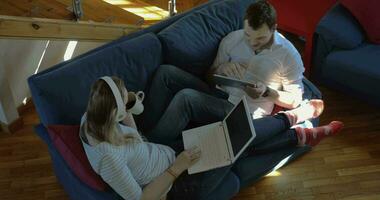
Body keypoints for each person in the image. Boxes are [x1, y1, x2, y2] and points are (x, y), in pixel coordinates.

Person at [80, 76, 343, 200]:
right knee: (234, 143)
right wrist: (177, 169)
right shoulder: (108, 159)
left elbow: (132, 132)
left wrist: (130, 107)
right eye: (123, 96)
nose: (128, 96)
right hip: (178, 185)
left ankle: (300, 134)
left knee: (233, 139)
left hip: (166, 152)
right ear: (111, 113)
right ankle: (297, 120)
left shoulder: (91, 117)